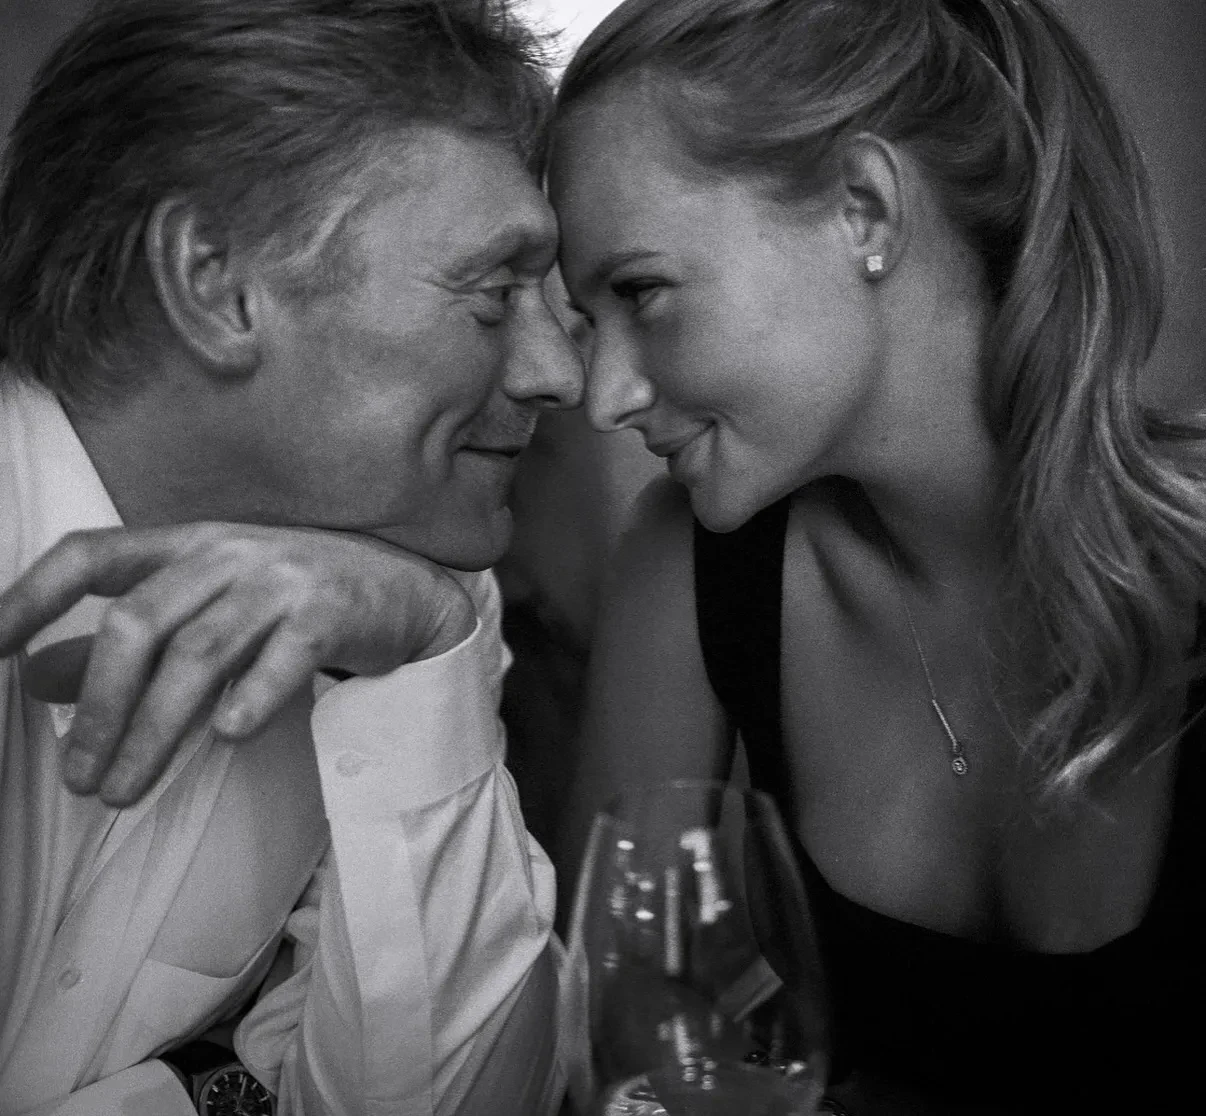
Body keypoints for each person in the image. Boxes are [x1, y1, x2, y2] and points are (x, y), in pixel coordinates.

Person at [544, 0, 1206, 1111]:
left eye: (641, 293)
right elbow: (619, 1051)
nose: (603, 394)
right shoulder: (697, 564)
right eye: (586, 322)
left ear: (865, 210)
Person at [0, 1, 582, 1113]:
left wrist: (425, 659)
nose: (559, 373)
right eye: (496, 295)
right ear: (217, 286)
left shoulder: (413, 584)